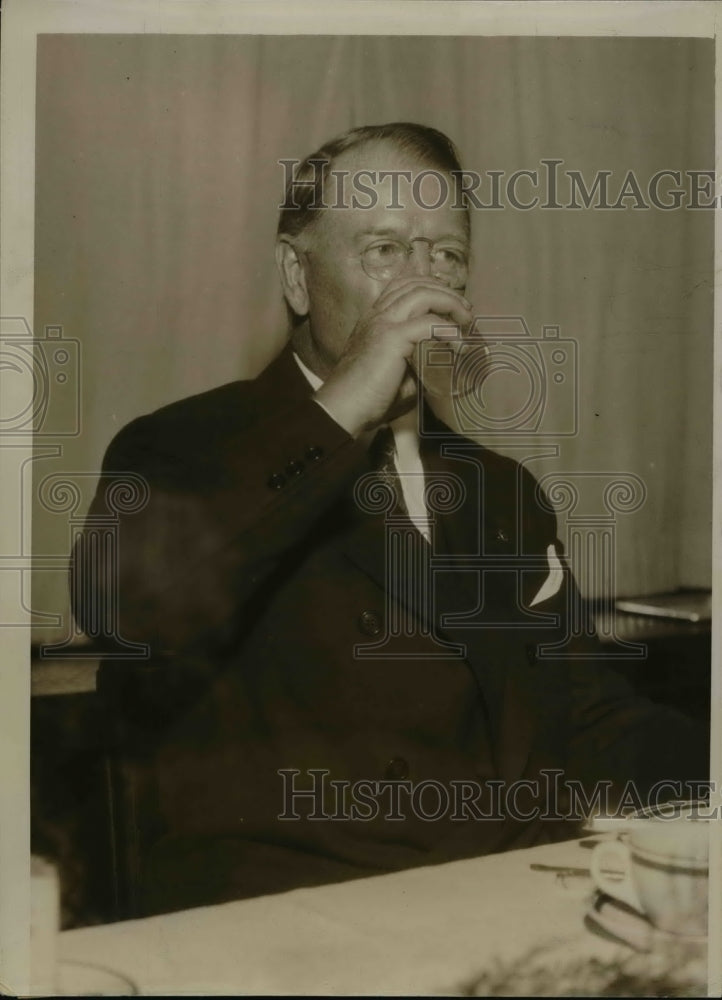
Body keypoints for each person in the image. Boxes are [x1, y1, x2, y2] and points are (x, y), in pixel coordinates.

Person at [72, 122, 708, 916]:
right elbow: (130, 610)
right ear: (296, 278)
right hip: (292, 922)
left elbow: (583, 713)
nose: (423, 284)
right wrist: (342, 415)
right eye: (384, 250)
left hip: (504, 895)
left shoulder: (501, 490)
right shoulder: (179, 446)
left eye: (447, 255)